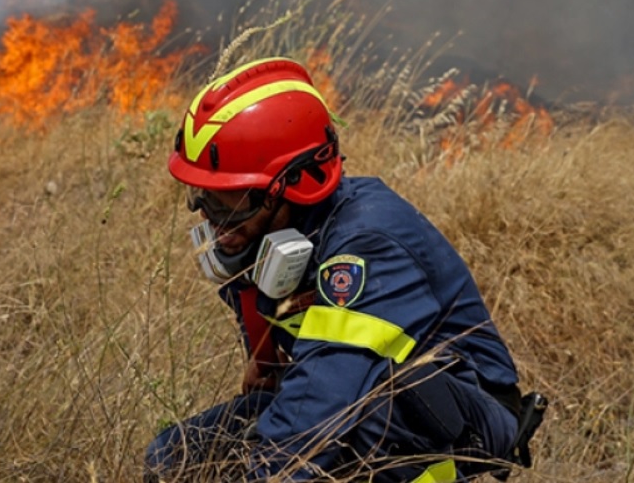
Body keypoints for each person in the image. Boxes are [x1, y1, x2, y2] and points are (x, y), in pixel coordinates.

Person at [145, 57, 544, 482]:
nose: (209, 216)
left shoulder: (366, 242)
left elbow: (321, 397)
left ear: (294, 185)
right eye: (202, 195)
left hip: (454, 413)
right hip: (353, 389)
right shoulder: (268, 235)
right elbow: (288, 377)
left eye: (229, 201)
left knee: (370, 412)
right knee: (172, 457)